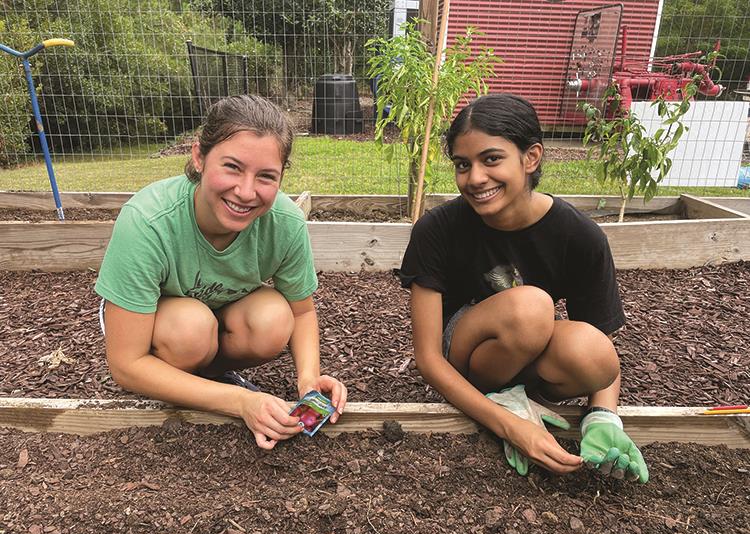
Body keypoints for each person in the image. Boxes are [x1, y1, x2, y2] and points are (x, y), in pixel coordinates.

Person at [398, 93, 648, 483]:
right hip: (464, 359)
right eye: (463, 165)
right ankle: (505, 403)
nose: (475, 178)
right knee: (533, 306)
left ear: (531, 157)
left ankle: (521, 398)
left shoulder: (579, 236)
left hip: (530, 350)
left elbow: (603, 344)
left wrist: (604, 417)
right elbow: (428, 360)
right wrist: (509, 426)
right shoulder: (438, 230)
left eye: (491, 159)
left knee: (595, 353)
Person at [95, 95, 347, 450]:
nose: (245, 192)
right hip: (159, 324)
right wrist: (240, 401)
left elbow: (302, 310)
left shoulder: (285, 224)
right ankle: (195, 379)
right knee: (190, 329)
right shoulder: (147, 221)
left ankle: (204, 377)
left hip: (221, 311)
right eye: (232, 167)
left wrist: (308, 381)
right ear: (199, 156)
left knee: (274, 319)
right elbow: (125, 364)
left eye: (266, 177)